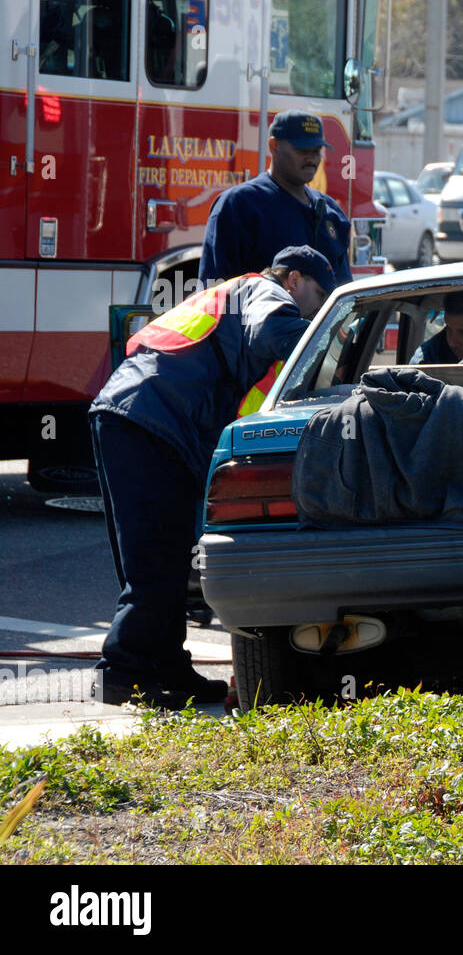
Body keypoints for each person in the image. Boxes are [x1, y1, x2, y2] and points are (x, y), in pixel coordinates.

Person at [88, 246, 333, 708]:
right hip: (148, 421)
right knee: (155, 556)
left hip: (141, 416)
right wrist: (327, 353)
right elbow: (277, 330)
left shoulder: (235, 295)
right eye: (319, 296)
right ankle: (122, 672)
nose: (318, 308)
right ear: (295, 279)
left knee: (169, 553)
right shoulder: (267, 293)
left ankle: (165, 664)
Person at [199, 110, 352, 288]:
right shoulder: (239, 205)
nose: (311, 158)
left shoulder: (331, 212)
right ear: (274, 146)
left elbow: (344, 289)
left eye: (316, 150)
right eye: (302, 149)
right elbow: (214, 291)